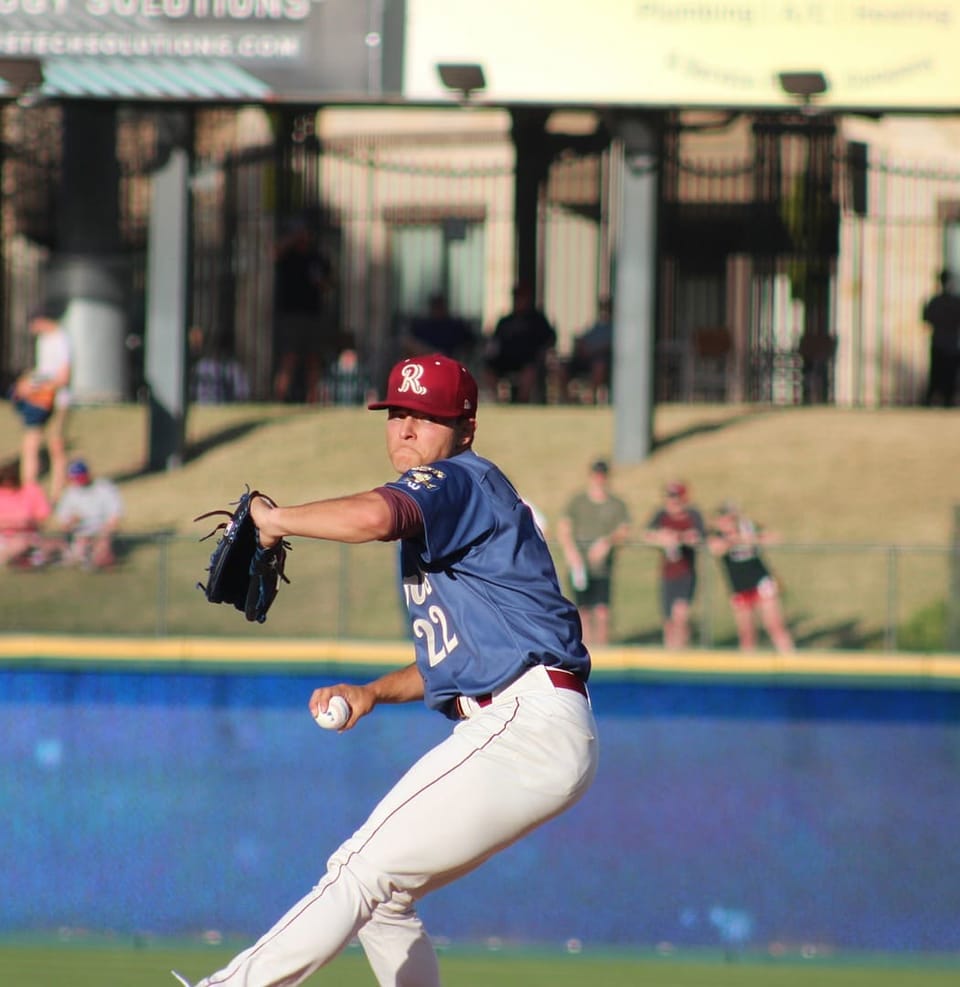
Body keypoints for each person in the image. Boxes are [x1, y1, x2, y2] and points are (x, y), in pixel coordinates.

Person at [173, 353, 598, 987]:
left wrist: (275, 521)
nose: (405, 429)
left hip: (524, 724)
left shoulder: (458, 480)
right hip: (528, 721)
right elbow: (459, 662)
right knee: (384, 900)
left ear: (466, 428)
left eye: (426, 417)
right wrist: (371, 691)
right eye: (397, 413)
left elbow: (375, 517)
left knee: (359, 871)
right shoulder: (461, 511)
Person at [556, 459, 631, 646]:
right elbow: (564, 528)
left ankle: (602, 648)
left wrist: (606, 542)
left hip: (602, 568)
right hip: (580, 566)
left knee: (602, 611)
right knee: (583, 611)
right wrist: (572, 554)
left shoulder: (616, 504)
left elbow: (624, 529)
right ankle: (587, 649)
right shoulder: (578, 502)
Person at [707, 502, 795, 654]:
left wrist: (755, 539)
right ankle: (747, 665)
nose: (727, 523)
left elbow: (775, 538)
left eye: (730, 519)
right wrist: (735, 541)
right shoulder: (716, 535)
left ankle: (790, 659)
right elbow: (715, 549)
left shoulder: (748, 528)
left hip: (761, 582)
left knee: (774, 625)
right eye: (723, 519)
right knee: (746, 633)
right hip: (739, 587)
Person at [16, 304, 72, 503]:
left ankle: (58, 493)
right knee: (30, 443)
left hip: (57, 399)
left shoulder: (62, 339)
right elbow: (43, 370)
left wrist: (39, 386)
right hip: (40, 399)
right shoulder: (43, 341)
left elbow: (63, 377)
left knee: (56, 445)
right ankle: (29, 491)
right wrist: (27, 383)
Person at [643, 481, 706, 650]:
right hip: (667, 574)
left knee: (681, 616)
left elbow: (699, 536)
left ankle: (682, 648)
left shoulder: (692, 515)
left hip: (686, 573)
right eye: (670, 498)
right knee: (668, 620)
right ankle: (670, 649)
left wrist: (679, 538)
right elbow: (647, 534)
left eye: (676, 498)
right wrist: (662, 537)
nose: (673, 502)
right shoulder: (661, 515)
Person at [482, 281, 557, 403]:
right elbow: (494, 342)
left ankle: (521, 402)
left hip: (528, 361)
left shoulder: (538, 320)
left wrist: (542, 353)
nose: (519, 300)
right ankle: (497, 401)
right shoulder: (505, 321)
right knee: (489, 370)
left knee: (529, 371)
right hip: (505, 359)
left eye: (522, 296)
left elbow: (550, 339)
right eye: (516, 297)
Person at [50, 459, 124, 569]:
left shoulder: (104, 488)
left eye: (81, 477)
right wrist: (71, 522)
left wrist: (105, 533)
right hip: (80, 535)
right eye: (75, 478)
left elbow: (115, 515)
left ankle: (100, 557)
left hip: (101, 533)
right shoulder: (70, 493)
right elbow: (63, 523)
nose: (79, 481)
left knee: (99, 554)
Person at [561, 297, 613, 404]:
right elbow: (582, 340)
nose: (604, 311)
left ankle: (591, 399)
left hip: (602, 361)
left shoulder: (616, 328)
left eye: (606, 308)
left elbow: (609, 346)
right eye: (602, 308)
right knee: (562, 367)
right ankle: (569, 401)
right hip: (585, 359)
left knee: (599, 366)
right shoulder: (596, 326)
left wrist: (593, 351)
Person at [921, 268, 960, 407]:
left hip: (941, 343)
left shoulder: (935, 301)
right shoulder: (954, 302)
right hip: (949, 344)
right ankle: (942, 401)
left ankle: (934, 401)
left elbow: (926, 318)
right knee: (945, 376)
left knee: (939, 375)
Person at [0, 461, 51, 567]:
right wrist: (10, 523)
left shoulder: (31, 490)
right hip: (3, 537)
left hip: (27, 536)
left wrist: (27, 522)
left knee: (23, 542)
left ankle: (10, 558)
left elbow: (43, 518)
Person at [401, 292, 476, 362]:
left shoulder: (455, 326)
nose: (437, 310)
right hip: (426, 360)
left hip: (449, 361)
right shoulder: (421, 326)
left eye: (439, 306)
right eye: (435, 306)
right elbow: (408, 342)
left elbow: (470, 343)